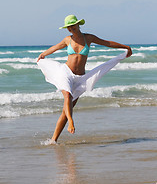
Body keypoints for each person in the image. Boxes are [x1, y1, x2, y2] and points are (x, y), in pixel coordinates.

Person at [37, 15, 132, 144]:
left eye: (72, 26)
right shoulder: (67, 40)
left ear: (78, 24)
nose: (70, 29)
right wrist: (43, 55)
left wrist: (125, 47)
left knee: (67, 110)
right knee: (67, 95)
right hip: (66, 72)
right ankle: (71, 122)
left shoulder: (89, 38)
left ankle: (53, 140)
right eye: (68, 27)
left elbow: (106, 43)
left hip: (80, 78)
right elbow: (55, 47)